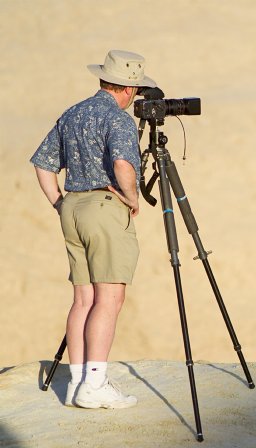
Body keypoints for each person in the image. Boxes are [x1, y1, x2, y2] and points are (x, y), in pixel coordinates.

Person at [30, 50, 156, 409]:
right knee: (109, 298)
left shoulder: (73, 113)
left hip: (72, 208)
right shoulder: (117, 119)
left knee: (83, 298)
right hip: (103, 208)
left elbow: (42, 164)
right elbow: (122, 165)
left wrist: (59, 203)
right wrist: (132, 198)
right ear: (129, 89)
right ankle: (95, 384)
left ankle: (76, 382)